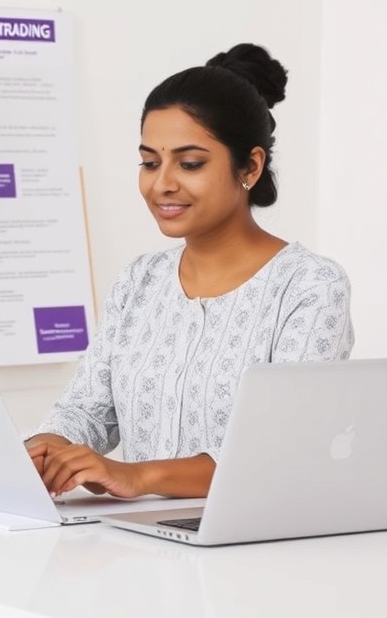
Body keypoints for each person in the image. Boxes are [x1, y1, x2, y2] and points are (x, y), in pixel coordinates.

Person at [26, 43, 354, 500]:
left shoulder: (309, 287)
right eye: (149, 162)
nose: (162, 184)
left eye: (191, 163)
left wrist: (136, 477)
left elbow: (279, 451)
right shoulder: (138, 282)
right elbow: (88, 411)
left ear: (251, 166)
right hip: (136, 539)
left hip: (253, 548)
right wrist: (46, 447)